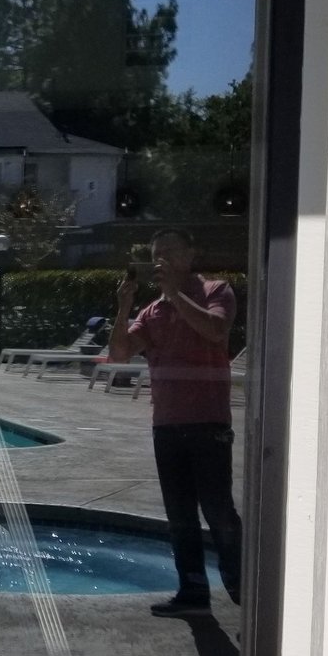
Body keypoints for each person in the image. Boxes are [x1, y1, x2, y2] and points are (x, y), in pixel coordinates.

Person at [108, 229, 243, 617]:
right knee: (180, 514)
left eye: (169, 252)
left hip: (208, 422)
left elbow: (216, 331)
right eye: (157, 254)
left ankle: (242, 589)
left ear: (190, 254)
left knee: (217, 510)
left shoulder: (217, 291)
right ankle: (193, 592)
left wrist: (175, 296)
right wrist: (123, 308)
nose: (161, 260)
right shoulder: (153, 311)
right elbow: (119, 354)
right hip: (167, 424)